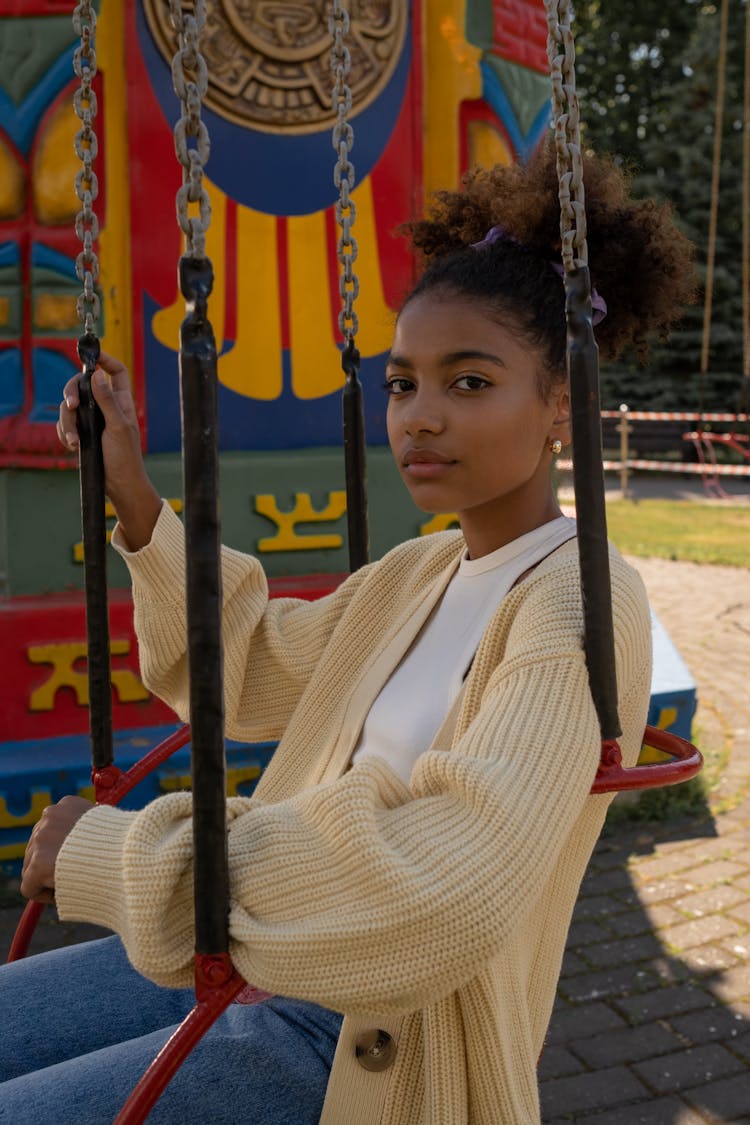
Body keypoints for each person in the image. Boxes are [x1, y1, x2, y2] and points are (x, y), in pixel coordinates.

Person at [2, 141, 695, 1124]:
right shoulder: (419, 572)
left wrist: (120, 858)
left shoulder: (576, 601)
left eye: (468, 383)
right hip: (256, 949)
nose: (417, 418)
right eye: (404, 383)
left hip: (368, 1037)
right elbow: (242, 668)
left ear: (560, 410)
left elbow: (448, 888)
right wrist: (135, 495)